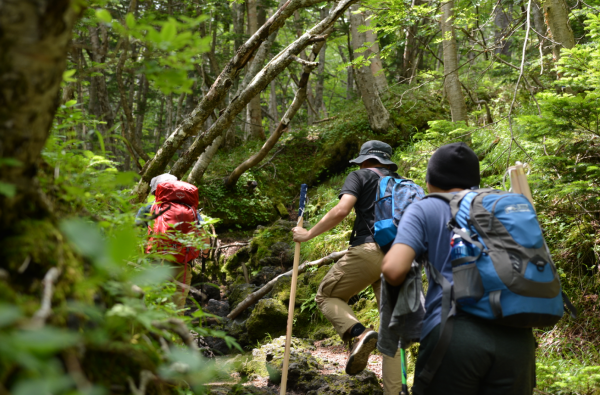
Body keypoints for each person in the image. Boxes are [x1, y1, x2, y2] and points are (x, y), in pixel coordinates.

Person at [381, 142, 536, 395]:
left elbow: (394, 269)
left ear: (429, 179)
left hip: (454, 334)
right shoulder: (502, 206)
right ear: (474, 180)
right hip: (517, 338)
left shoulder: (425, 207)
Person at [292, 140, 403, 395]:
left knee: (326, 295)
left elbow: (342, 210)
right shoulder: (401, 183)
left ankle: (359, 332)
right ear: (386, 162)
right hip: (401, 257)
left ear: (364, 160)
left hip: (370, 251)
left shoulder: (359, 175)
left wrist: (308, 234)